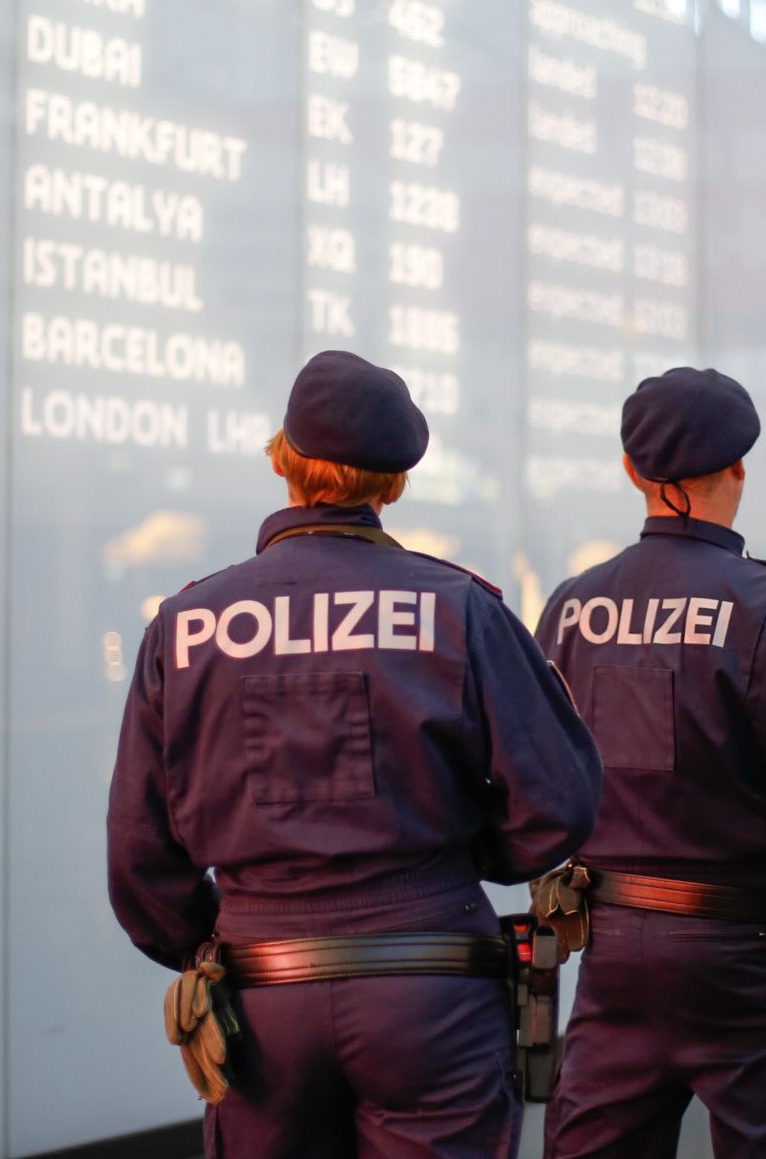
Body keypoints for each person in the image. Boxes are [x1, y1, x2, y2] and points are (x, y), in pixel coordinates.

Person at [107, 350, 603, 1159]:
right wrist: (453, 863)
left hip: (261, 1001)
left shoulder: (188, 624)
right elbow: (562, 799)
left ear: (285, 461)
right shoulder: (459, 609)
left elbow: (139, 854)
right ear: (393, 481)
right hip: (432, 985)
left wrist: (221, 934)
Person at [535, 367, 766, 1159]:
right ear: (738, 470)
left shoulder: (572, 608)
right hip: (753, 950)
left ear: (632, 473)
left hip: (612, 950)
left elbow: (536, 778)